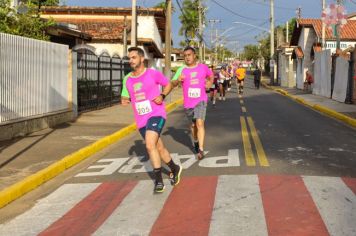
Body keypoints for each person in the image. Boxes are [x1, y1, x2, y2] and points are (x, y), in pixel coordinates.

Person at [121, 47, 182, 193]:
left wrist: (162, 96)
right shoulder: (127, 79)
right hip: (141, 119)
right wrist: (124, 100)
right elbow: (125, 96)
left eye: (134, 57)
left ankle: (159, 181)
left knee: (149, 145)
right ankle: (175, 168)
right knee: (158, 147)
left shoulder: (152, 74)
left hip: (156, 113)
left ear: (142, 59)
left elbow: (168, 84)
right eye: (129, 58)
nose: (131, 60)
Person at [171, 46, 214, 160]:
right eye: (185, 56)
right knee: (193, 125)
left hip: (201, 100)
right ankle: (195, 140)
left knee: (200, 123)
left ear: (194, 55)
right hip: (188, 103)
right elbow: (173, 83)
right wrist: (178, 80)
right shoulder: (181, 70)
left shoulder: (203, 67)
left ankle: (200, 149)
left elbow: (211, 75)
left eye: (189, 55)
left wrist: (210, 83)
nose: (187, 58)